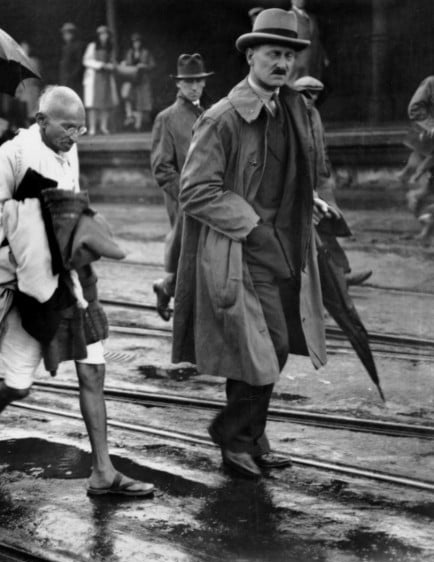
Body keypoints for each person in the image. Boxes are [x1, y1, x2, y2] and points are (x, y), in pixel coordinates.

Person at [0, 86, 155, 497]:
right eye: (67, 126)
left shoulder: (69, 149)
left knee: (93, 369)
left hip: (73, 279)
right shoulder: (13, 154)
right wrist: (29, 218)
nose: (74, 136)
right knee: (19, 384)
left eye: (80, 127)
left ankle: (103, 472)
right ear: (41, 120)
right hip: (31, 285)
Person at [173, 9, 332, 479]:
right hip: (240, 251)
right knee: (270, 346)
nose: (282, 63)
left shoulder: (293, 107)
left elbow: (293, 172)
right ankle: (232, 433)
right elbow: (195, 191)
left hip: (286, 245)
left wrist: (312, 201)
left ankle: (250, 439)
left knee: (258, 349)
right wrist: (253, 227)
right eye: (272, 54)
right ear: (250, 55)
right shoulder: (223, 117)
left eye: (288, 55)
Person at [150, 53, 214, 320]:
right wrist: (186, 196)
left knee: (205, 256)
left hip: (211, 198)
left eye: (199, 81)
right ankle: (184, 309)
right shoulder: (167, 119)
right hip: (184, 201)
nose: (195, 87)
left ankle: (167, 287)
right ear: (178, 84)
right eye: (189, 82)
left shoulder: (210, 115)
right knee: (190, 255)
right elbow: (162, 168)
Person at [292, 75, 372, 286]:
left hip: (319, 181)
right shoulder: (289, 117)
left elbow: (322, 145)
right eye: (307, 95)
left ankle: (340, 273)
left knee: (326, 224)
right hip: (300, 185)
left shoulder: (315, 115)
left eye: (315, 96)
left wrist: (326, 171)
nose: (311, 100)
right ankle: (336, 276)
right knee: (312, 231)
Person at [402, 74, 434, 240]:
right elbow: (414, 108)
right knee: (417, 187)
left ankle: (428, 226)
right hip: (430, 145)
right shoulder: (431, 83)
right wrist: (431, 126)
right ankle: (426, 225)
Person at [83, 25, 119, 135]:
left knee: (106, 103)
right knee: (93, 104)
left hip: (106, 77)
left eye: (106, 34)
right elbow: (86, 61)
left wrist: (112, 65)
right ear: (98, 36)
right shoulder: (92, 46)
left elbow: (113, 60)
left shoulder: (110, 47)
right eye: (101, 34)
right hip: (95, 77)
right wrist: (101, 65)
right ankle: (92, 128)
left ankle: (103, 127)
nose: (104, 36)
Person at [119, 33, 155, 131]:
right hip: (131, 78)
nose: (136, 44)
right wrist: (124, 64)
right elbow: (126, 63)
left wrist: (144, 66)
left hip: (142, 79)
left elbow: (152, 65)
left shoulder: (146, 52)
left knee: (141, 101)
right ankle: (130, 116)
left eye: (138, 42)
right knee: (127, 96)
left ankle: (138, 125)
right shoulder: (129, 52)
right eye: (134, 42)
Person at [288, 0, 329, 83]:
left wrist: (324, 56)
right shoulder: (288, 16)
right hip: (298, 64)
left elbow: (316, 38)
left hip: (315, 62)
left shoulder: (312, 17)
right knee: (297, 90)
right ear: (292, 0)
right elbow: (285, 40)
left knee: (312, 89)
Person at [59, 23, 84, 97]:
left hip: (74, 80)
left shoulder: (78, 45)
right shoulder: (65, 47)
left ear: (72, 34)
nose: (65, 36)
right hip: (65, 78)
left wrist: (72, 75)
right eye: (64, 34)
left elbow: (79, 63)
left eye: (67, 34)